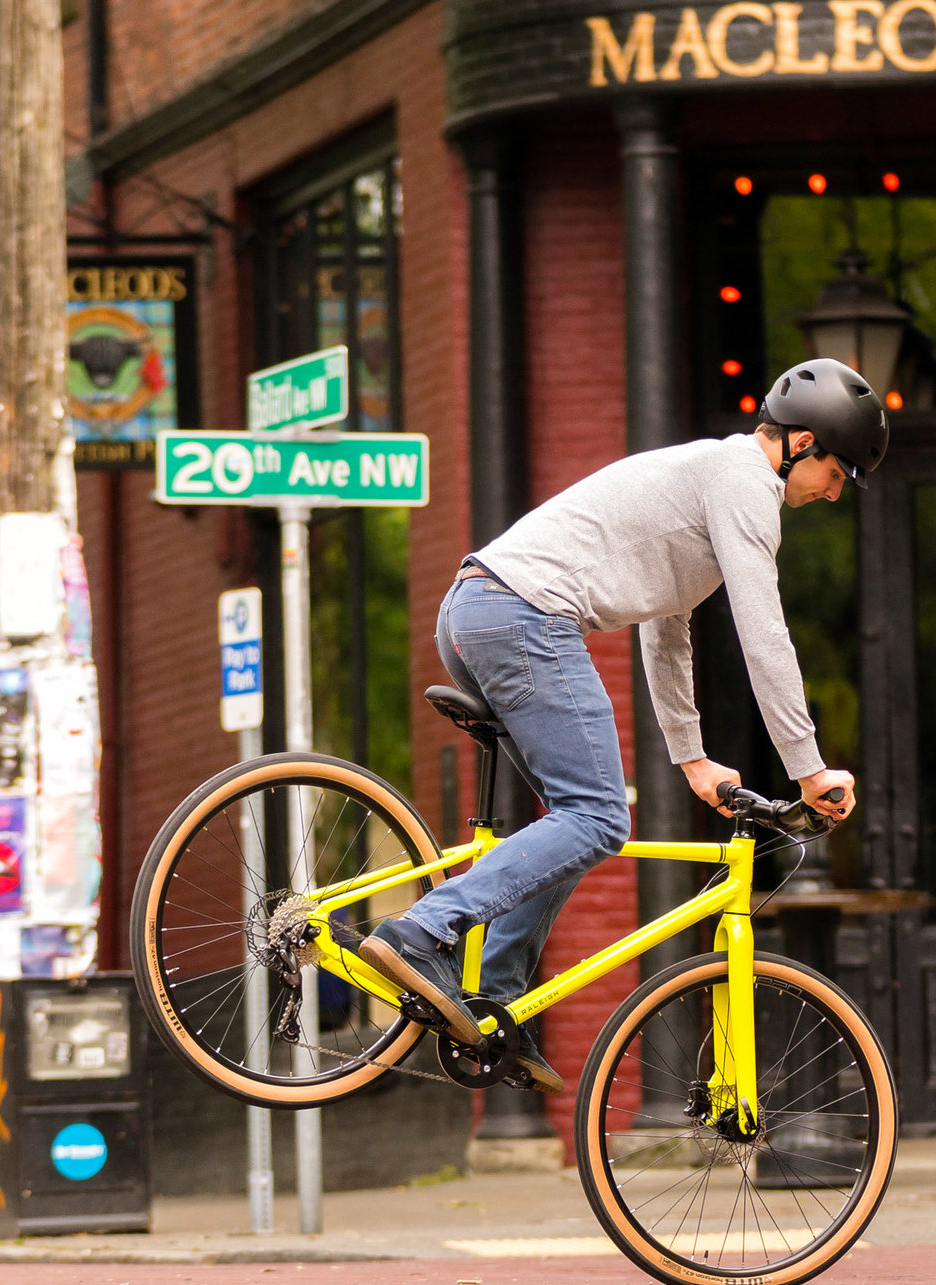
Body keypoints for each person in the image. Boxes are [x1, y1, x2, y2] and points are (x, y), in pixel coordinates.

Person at [359, 358, 887, 1093]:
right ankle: (424, 931)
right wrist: (808, 766)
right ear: (801, 442)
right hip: (521, 615)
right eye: (838, 471)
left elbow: (665, 630)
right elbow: (765, 633)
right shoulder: (744, 483)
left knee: (570, 824)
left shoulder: (710, 479)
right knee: (599, 815)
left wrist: (693, 758)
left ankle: (492, 1001)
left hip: (472, 611)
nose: (836, 491)